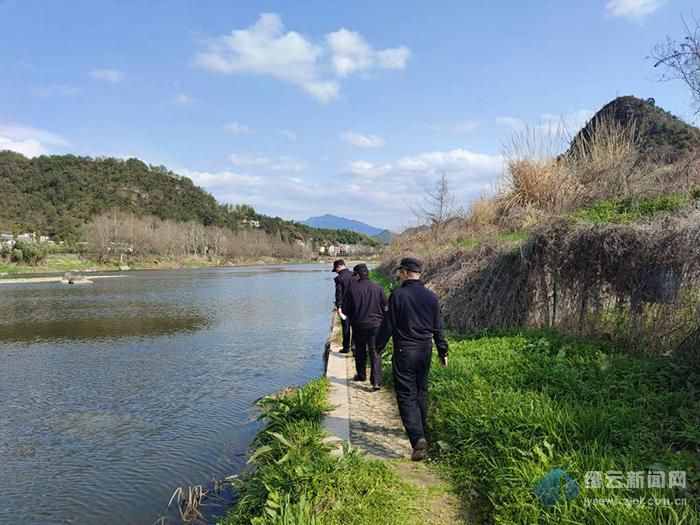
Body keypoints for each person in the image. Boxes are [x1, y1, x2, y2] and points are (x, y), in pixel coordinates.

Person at [377, 257, 448, 461]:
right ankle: (423, 433)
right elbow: (438, 327)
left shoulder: (398, 295)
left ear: (406, 272)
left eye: (400, 271)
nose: (398, 274)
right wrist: (443, 351)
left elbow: (388, 325)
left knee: (406, 394)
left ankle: (417, 439)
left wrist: (378, 347)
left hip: (404, 351)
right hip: (425, 350)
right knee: (421, 391)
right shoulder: (432, 297)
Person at [343, 263, 387, 389]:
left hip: (358, 325)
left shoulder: (352, 289)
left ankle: (361, 375)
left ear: (357, 275)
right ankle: (376, 381)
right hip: (376, 325)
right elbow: (385, 306)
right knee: (375, 352)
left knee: (360, 350)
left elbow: (346, 310)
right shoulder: (378, 288)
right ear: (368, 273)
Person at [332, 259, 354, 353]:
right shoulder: (354, 275)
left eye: (336, 269)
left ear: (339, 267)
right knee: (355, 327)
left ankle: (346, 348)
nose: (336, 272)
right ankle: (354, 347)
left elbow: (339, 294)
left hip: (345, 307)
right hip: (355, 305)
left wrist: (338, 307)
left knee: (346, 327)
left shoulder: (339, 278)